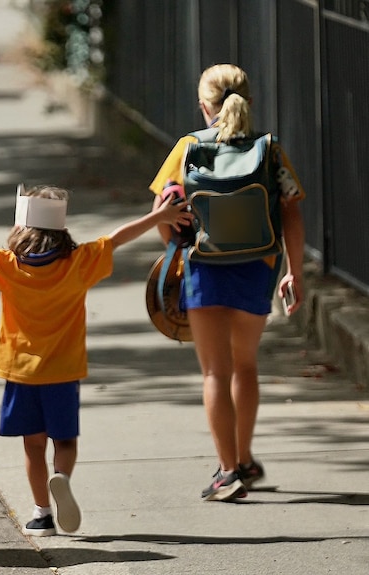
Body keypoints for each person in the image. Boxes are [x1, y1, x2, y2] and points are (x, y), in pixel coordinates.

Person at [0, 185, 192, 535]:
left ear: (20, 230)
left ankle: (41, 514)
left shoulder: (7, 266)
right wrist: (159, 216)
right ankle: (63, 477)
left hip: (21, 373)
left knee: (33, 444)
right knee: (64, 441)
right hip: (63, 373)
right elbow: (115, 239)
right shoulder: (79, 264)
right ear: (61, 230)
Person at [149, 63, 306, 501]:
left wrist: (175, 245)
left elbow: (166, 216)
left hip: (205, 269)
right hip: (257, 267)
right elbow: (291, 211)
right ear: (249, 102)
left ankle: (227, 471)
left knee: (215, 371)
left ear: (203, 106)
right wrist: (294, 270)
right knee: (245, 365)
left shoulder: (187, 148)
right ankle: (244, 457)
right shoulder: (269, 150)